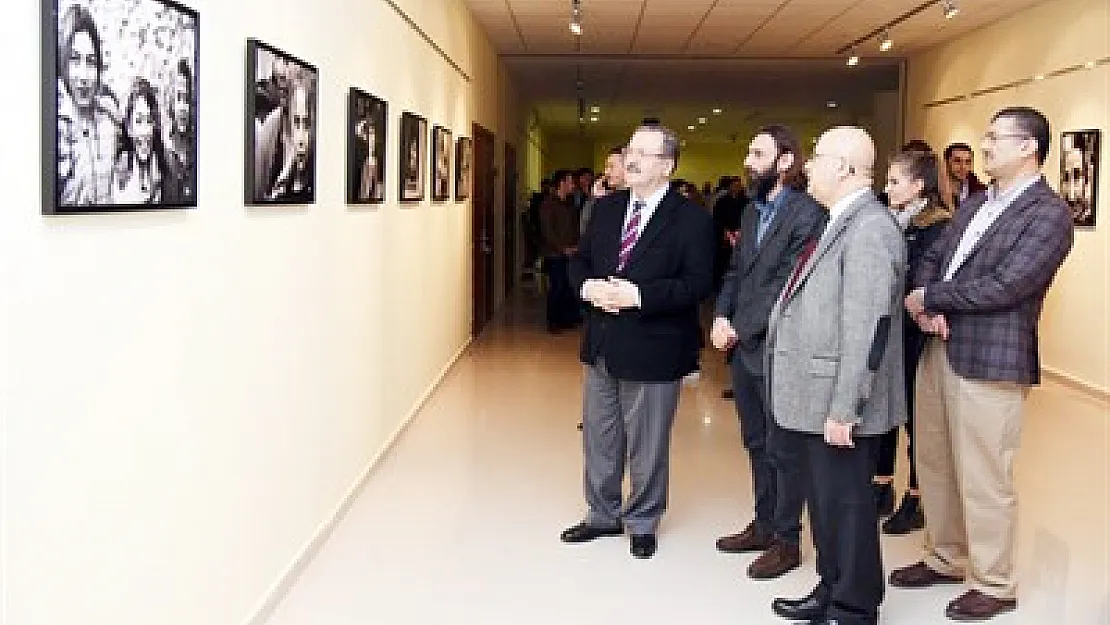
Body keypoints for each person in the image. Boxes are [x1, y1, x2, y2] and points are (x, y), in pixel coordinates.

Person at [894, 107, 1074, 622]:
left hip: (990, 358)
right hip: (938, 345)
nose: (985, 146)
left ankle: (995, 582)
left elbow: (1010, 284)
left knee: (984, 473)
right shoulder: (976, 205)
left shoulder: (1048, 214)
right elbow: (933, 255)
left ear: (1027, 148)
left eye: (995, 138)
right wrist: (925, 302)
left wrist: (933, 298)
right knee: (933, 459)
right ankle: (946, 556)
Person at [767, 127, 905, 625]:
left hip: (837, 401)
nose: (807, 166)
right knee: (825, 504)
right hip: (816, 395)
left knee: (846, 506)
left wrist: (847, 406)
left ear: (845, 166)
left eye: (818, 156)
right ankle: (831, 587)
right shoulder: (840, 221)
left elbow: (867, 329)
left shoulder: (870, 229)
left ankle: (854, 605)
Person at [560, 124, 713, 559]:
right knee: (600, 436)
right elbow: (582, 262)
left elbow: (698, 283)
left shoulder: (692, 219)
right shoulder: (606, 210)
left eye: (644, 153)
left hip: (655, 347)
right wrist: (589, 289)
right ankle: (602, 515)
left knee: (647, 443)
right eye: (630, 150)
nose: (632, 159)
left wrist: (639, 296)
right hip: (602, 343)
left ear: (667, 165)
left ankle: (643, 520)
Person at [711, 125, 826, 580]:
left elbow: (788, 283)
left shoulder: (808, 214)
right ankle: (763, 524)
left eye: (758, 152)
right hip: (745, 350)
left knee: (784, 449)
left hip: (781, 348)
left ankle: (786, 540)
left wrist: (738, 327)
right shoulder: (751, 212)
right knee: (755, 442)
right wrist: (720, 317)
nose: (748, 159)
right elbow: (737, 272)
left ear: (785, 161)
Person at [872, 145, 952, 535]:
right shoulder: (887, 219)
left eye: (894, 181)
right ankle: (881, 484)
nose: (886, 189)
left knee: (916, 418)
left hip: (915, 333)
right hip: (887, 330)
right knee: (883, 407)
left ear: (919, 186)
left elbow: (924, 278)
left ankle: (918, 496)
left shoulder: (937, 226)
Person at [539, 170, 581, 332]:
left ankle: (565, 319)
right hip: (554, 254)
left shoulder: (569, 204)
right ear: (561, 183)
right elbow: (547, 230)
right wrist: (562, 248)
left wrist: (576, 246)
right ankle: (553, 322)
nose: (573, 185)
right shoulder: (548, 204)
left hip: (571, 252)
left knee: (568, 287)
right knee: (557, 287)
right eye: (570, 182)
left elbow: (573, 227)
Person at [943, 143, 987, 210]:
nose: (963, 167)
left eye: (967, 162)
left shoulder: (982, 192)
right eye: (957, 161)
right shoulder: (936, 193)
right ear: (946, 163)